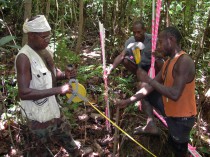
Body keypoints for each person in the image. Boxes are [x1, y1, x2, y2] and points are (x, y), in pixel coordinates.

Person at [15, 15, 91, 157]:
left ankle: (76, 153)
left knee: (66, 136)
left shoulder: (45, 50)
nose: (47, 40)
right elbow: (23, 93)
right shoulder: (24, 58)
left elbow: (51, 73)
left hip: (53, 109)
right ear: (31, 36)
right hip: (38, 117)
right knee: (40, 151)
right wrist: (59, 90)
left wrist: (65, 75)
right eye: (44, 37)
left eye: (48, 37)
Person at [116, 26, 197, 157]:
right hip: (170, 110)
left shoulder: (184, 61)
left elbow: (175, 94)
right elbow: (149, 87)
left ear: (171, 40)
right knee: (143, 86)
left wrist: (148, 78)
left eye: (160, 42)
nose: (157, 46)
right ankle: (151, 124)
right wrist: (128, 101)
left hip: (182, 118)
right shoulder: (169, 62)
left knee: (177, 150)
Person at [107, 20, 164, 135]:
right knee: (126, 60)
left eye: (139, 32)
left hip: (153, 66)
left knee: (159, 63)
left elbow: (163, 56)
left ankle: (154, 82)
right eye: (134, 32)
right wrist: (111, 68)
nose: (137, 35)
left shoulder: (153, 40)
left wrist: (158, 55)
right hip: (140, 67)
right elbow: (121, 55)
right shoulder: (130, 41)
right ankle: (143, 81)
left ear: (144, 30)